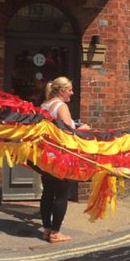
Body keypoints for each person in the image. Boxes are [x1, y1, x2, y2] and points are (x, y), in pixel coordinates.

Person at [38, 76, 87, 242]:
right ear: (61, 91)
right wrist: (82, 129)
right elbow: (67, 134)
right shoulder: (62, 106)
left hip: (46, 156)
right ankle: (55, 233)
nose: (72, 93)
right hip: (61, 157)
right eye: (70, 90)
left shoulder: (45, 105)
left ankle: (46, 230)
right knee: (62, 194)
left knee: (48, 193)